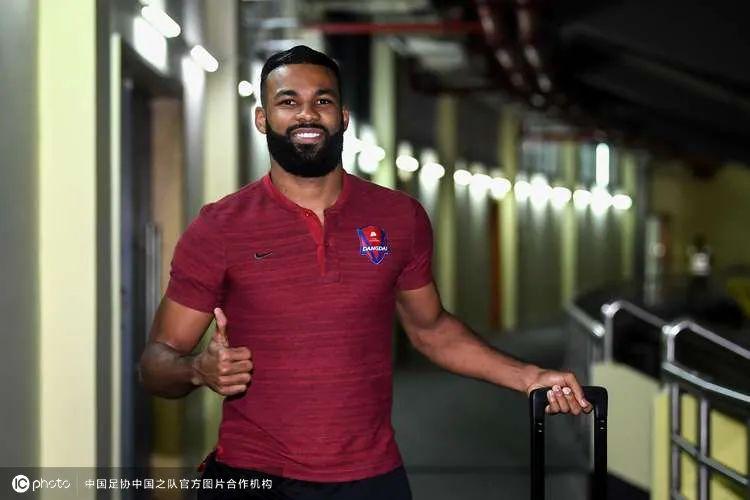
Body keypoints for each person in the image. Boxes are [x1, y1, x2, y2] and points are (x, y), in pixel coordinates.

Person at [139, 45, 591, 500]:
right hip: (253, 475)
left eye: (322, 100)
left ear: (343, 117)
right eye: (288, 101)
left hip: (370, 479)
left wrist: (528, 377)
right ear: (262, 118)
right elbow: (156, 363)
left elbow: (431, 330)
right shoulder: (220, 226)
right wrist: (197, 369)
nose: (307, 114)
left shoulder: (399, 217)